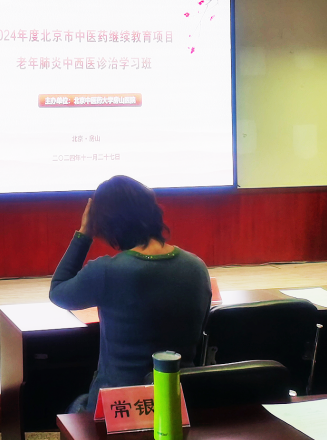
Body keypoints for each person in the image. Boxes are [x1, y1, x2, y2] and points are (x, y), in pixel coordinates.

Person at [49, 175, 211, 413]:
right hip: (178, 404)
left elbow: (58, 291)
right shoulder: (197, 268)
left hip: (118, 408)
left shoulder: (107, 271)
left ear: (105, 223)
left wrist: (84, 233)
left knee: (75, 407)